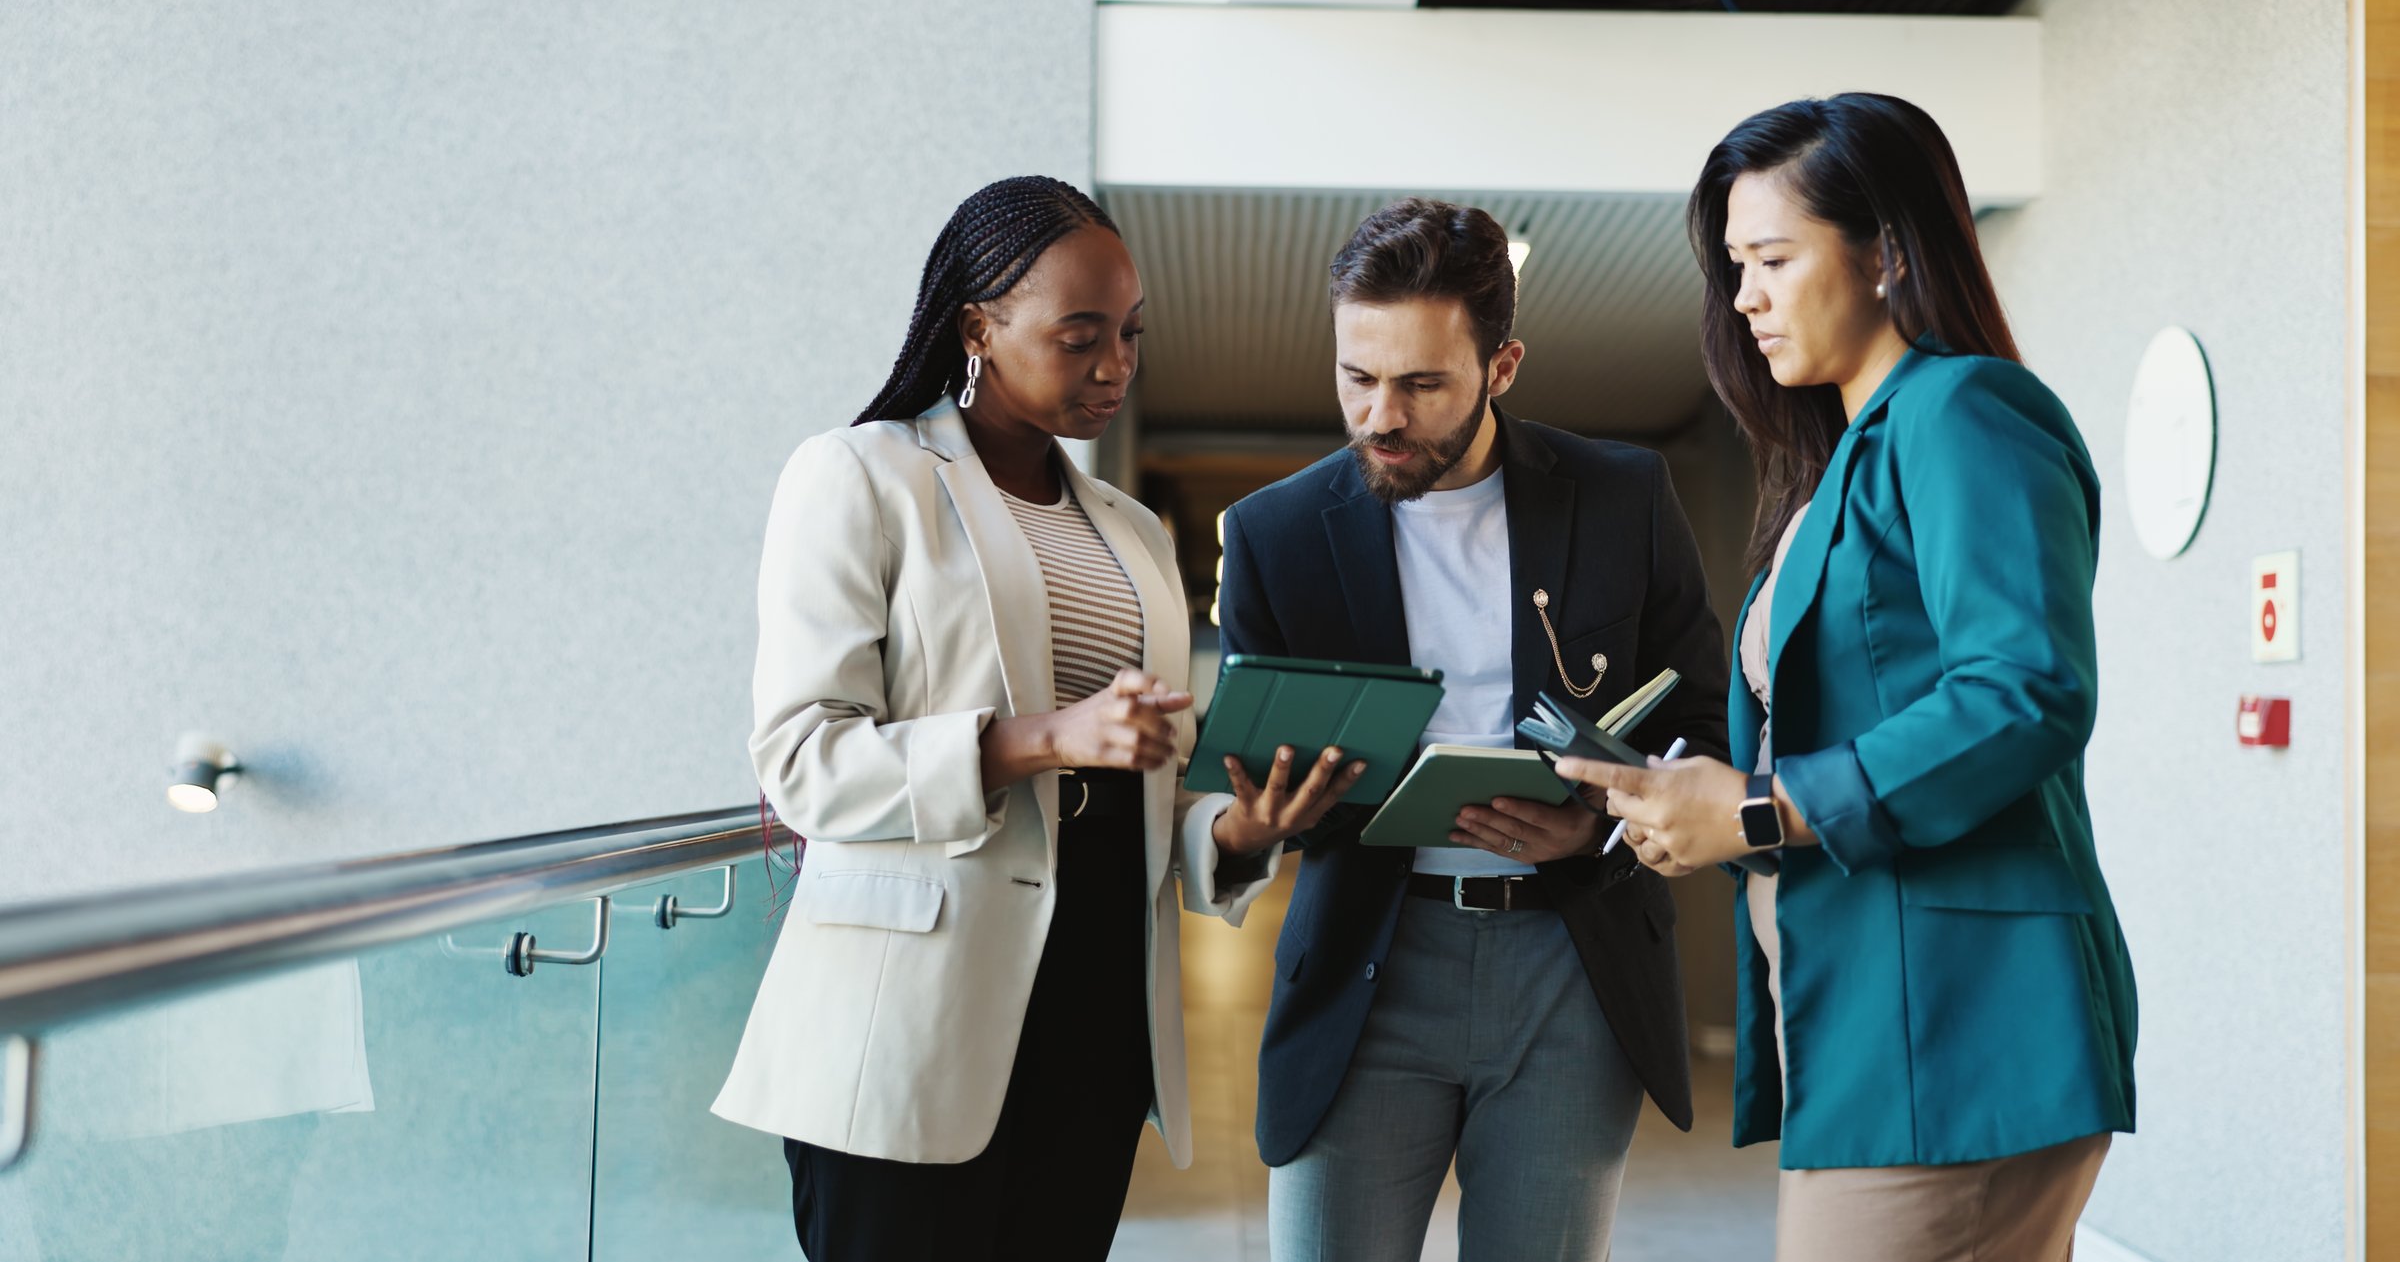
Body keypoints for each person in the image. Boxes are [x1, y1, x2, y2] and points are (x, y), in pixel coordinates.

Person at [711, 175, 1351, 1262]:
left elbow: (1142, 779)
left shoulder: (1135, 531)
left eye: (1132, 335)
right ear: (978, 327)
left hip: (1096, 1017)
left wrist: (1234, 832)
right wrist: (1044, 737)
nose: (1115, 365)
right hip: (909, 1023)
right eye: (1079, 336)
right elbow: (802, 758)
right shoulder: (862, 476)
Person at [1560, 94, 2139, 1262]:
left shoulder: (1965, 410)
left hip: (1961, 1020)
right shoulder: (1839, 461)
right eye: (1733, 266)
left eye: (1774, 257)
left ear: (1887, 253)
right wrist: (1710, 814)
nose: (1745, 296)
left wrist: (1762, 808)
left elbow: (2025, 689)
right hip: (1877, 1015)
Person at [1195, 197, 1730, 1261]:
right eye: (1357, 376)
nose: (1380, 416)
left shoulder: (1620, 496)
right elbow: (1245, 773)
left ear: (1503, 365)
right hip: (1366, 959)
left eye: (1421, 383)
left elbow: (1702, 723)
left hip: (1571, 962)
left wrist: (1597, 831)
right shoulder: (1275, 533)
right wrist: (1252, 823)